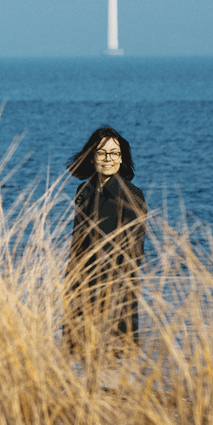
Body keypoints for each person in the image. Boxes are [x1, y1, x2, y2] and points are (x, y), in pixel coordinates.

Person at [64, 126, 148, 359]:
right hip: (80, 281)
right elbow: (76, 241)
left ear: (122, 158)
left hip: (116, 284)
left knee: (115, 355)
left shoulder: (131, 194)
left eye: (114, 153)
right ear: (92, 156)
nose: (108, 159)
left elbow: (135, 248)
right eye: (102, 153)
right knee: (79, 352)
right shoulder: (84, 190)